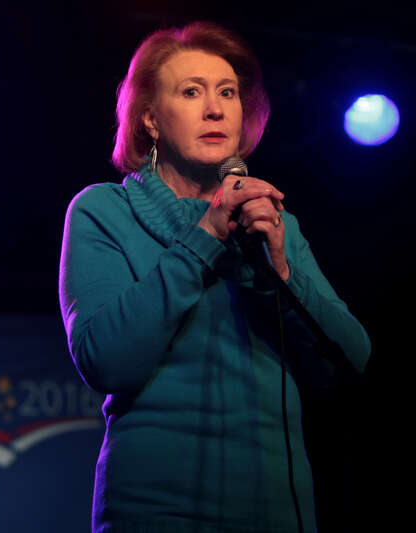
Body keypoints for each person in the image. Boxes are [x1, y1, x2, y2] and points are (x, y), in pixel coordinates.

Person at [58, 21, 370, 533]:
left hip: (277, 515)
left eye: (227, 92)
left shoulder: (273, 222)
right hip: (155, 513)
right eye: (191, 92)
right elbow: (107, 361)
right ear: (152, 120)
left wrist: (282, 271)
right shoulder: (103, 210)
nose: (215, 108)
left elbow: (352, 362)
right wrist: (204, 238)